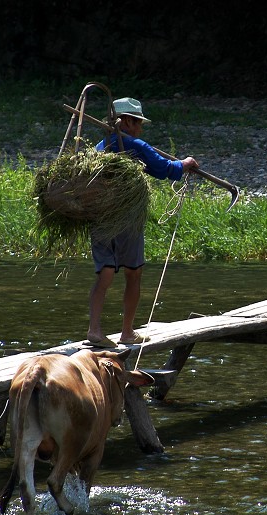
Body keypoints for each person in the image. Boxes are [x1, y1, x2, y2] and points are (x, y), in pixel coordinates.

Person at [86, 97, 199, 347]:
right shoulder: (134, 145)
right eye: (137, 122)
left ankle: (94, 329)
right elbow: (163, 169)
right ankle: (127, 332)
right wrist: (186, 164)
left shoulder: (98, 148)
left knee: (105, 272)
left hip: (100, 220)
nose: (140, 127)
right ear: (126, 121)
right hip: (126, 219)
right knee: (133, 272)